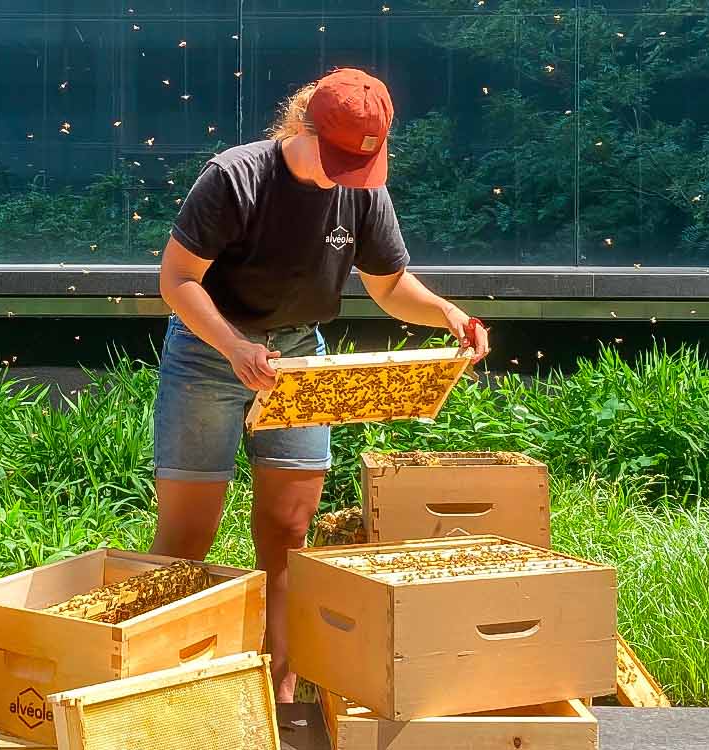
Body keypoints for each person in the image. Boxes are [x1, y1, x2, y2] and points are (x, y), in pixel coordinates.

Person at [149, 68, 492, 715]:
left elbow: (390, 285)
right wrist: (235, 348)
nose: (345, 176)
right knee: (186, 537)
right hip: (208, 352)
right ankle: (158, 691)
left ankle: (281, 696)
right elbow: (177, 280)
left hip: (300, 358)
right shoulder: (235, 178)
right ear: (303, 125)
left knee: (289, 529)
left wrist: (448, 313)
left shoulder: (363, 193)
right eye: (335, 159)